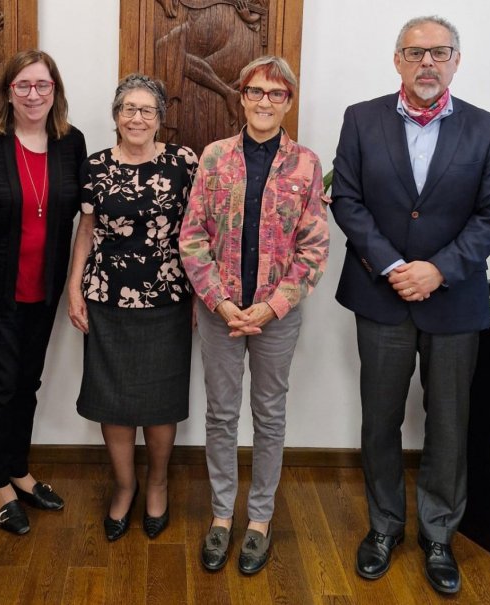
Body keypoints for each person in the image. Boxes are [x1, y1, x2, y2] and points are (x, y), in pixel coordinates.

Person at [330, 16, 490, 595]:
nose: (427, 63)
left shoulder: (487, 129)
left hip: (454, 301)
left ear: (456, 60)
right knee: (380, 419)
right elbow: (348, 200)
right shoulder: (362, 119)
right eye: (415, 53)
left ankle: (439, 535)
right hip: (380, 297)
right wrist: (393, 267)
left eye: (439, 52)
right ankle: (384, 527)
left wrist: (439, 270)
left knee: (449, 424)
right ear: (397, 61)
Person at [179, 55, 329, 575]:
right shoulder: (214, 157)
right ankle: (222, 516)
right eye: (255, 92)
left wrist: (269, 307)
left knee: (269, 415)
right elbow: (192, 237)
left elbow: (313, 251)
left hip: (276, 316)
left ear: (288, 102)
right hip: (219, 311)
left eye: (276, 94)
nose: (264, 101)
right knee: (221, 414)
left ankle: (259, 519)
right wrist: (221, 302)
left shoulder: (306, 164)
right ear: (241, 97)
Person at [67, 73, 196, 542]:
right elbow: (87, 230)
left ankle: (158, 484)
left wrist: (204, 294)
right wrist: (74, 286)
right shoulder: (96, 165)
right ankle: (125, 487)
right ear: (116, 115)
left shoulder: (184, 162)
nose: (136, 118)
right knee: (114, 403)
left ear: (160, 118)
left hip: (168, 299)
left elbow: (200, 233)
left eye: (147, 110)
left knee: (161, 404)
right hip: (107, 299)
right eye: (128, 109)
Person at [0, 50, 86, 535]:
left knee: (27, 385)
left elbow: (84, 214)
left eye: (43, 85)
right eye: (23, 85)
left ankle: (19, 469)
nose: (33, 94)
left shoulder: (69, 142)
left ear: (54, 91)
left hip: (45, 289)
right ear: (8, 92)